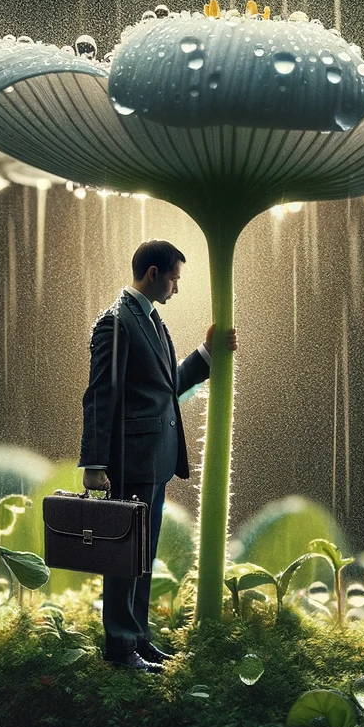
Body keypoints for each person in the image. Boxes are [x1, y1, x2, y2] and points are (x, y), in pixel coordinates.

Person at [78, 240, 239, 672]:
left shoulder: (150, 319)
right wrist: (94, 464)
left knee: (142, 556)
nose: (176, 288)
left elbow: (166, 387)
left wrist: (206, 354)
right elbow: (100, 395)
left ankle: (138, 639)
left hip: (154, 459)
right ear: (153, 273)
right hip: (129, 461)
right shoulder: (115, 322)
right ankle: (120, 647)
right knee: (123, 556)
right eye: (174, 278)